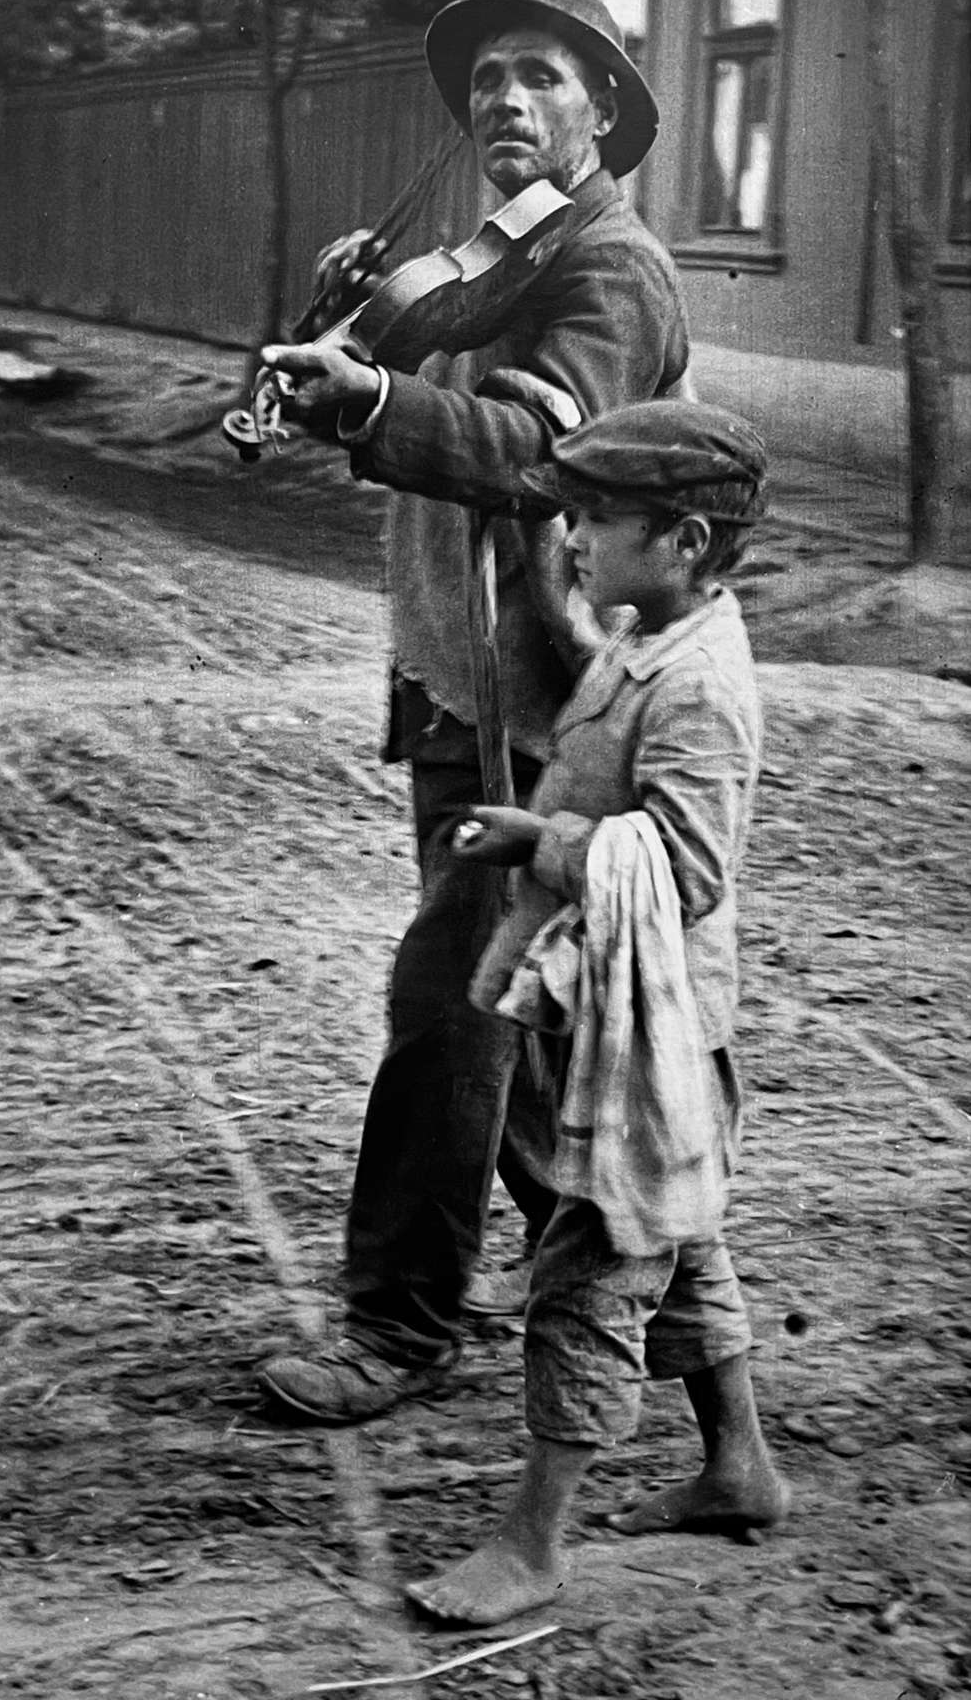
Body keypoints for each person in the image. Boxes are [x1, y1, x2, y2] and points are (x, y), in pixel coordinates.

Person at [256, 0, 690, 1423]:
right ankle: (685, 1337)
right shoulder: (477, 263)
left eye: (543, 79)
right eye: (489, 78)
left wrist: (372, 401)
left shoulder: (610, 272)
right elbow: (396, 377)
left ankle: (399, 1325)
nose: (504, 100)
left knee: (452, 999)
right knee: (529, 1034)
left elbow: (527, 450)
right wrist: (348, 326)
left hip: (554, 709)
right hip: (460, 682)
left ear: (605, 113)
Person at [402, 397, 789, 1627]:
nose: (571, 536)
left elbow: (684, 871)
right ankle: (739, 1467)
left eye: (599, 519)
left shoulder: (701, 691)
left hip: (661, 1021)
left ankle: (533, 1542)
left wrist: (543, 836)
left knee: (592, 1271)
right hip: (609, 998)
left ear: (681, 543)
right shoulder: (646, 638)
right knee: (679, 1237)